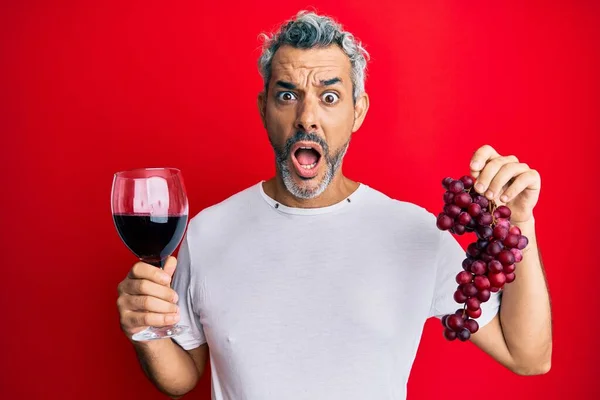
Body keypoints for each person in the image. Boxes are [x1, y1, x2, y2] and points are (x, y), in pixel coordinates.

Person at [116, 10, 552, 399]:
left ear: (357, 112)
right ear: (264, 109)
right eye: (287, 95)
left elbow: (527, 356)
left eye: (329, 97)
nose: (307, 116)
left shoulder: (416, 233)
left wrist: (521, 224)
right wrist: (143, 329)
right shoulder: (208, 231)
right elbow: (182, 377)